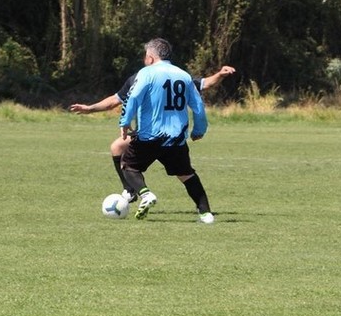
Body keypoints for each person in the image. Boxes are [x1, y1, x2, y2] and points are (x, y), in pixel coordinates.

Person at [70, 64, 234, 209]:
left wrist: (219, 75)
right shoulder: (163, 76)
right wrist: (90, 108)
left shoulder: (160, 76)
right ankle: (130, 190)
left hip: (152, 135)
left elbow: (204, 83)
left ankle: (140, 192)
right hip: (166, 135)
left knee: (173, 171)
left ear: (151, 58)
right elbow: (115, 100)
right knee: (117, 147)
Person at [117, 38, 214, 223]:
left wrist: (125, 121)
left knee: (128, 167)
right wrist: (199, 129)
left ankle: (145, 194)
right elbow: (198, 106)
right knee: (187, 175)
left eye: (146, 56)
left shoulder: (146, 73)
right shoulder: (184, 75)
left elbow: (133, 97)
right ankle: (206, 213)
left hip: (149, 136)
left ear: (151, 58)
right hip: (176, 139)